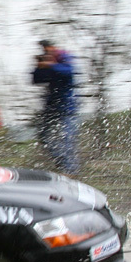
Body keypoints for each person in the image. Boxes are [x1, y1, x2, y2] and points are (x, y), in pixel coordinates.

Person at [32, 39, 79, 174]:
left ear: (53, 47)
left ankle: (71, 170)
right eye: (44, 49)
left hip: (67, 107)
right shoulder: (48, 61)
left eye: (47, 48)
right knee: (44, 136)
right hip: (51, 107)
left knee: (67, 138)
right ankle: (62, 162)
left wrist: (51, 64)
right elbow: (37, 80)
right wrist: (39, 67)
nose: (46, 50)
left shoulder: (64, 56)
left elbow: (68, 72)